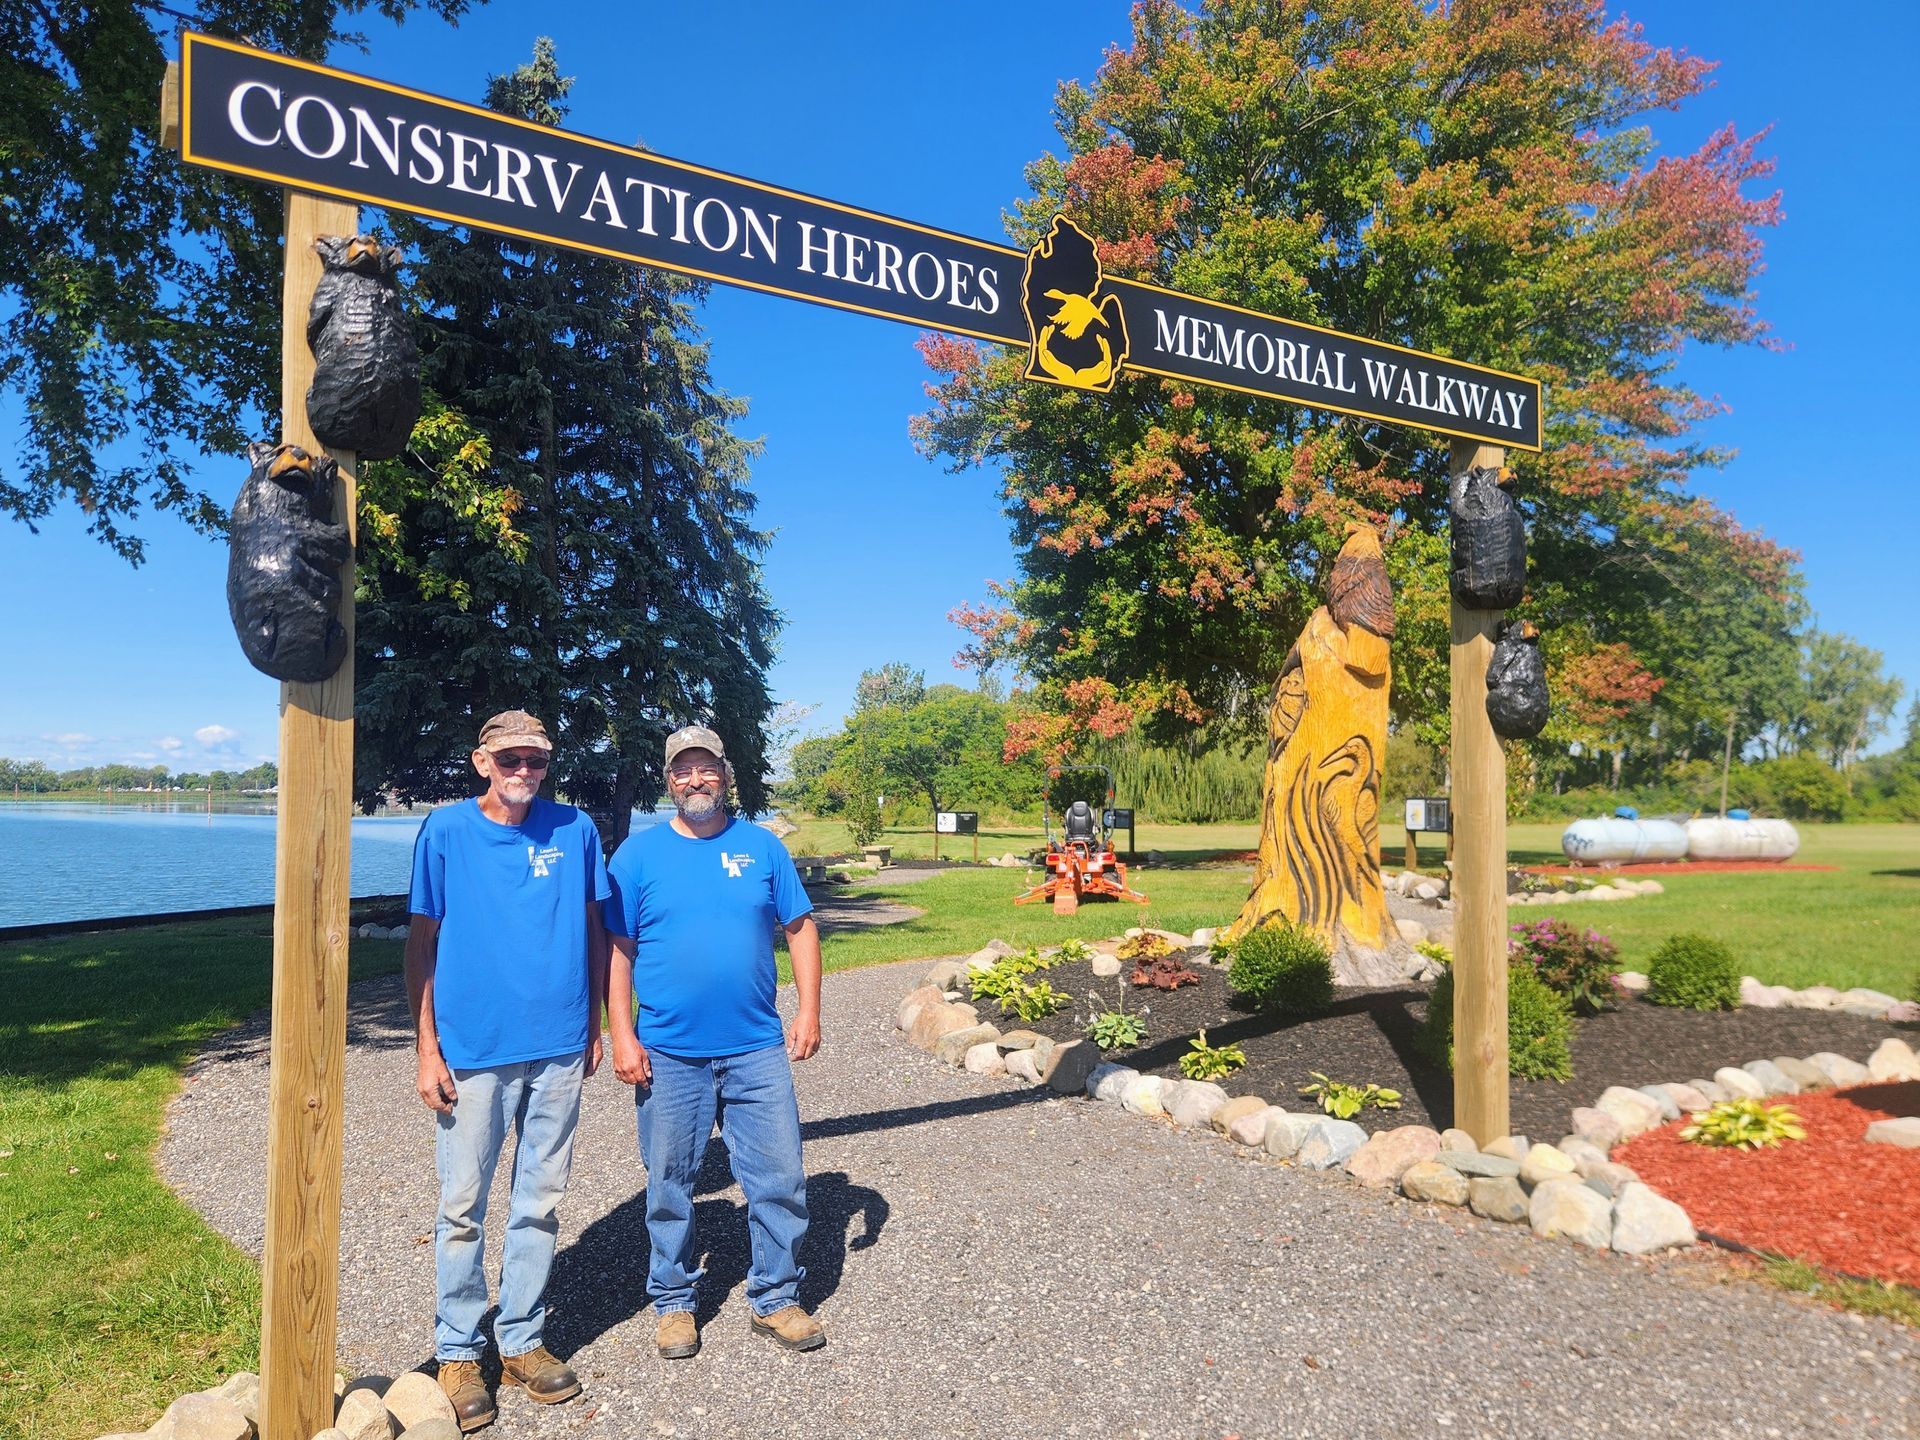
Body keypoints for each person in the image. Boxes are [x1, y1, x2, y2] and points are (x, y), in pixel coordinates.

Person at [405, 710, 611, 1430]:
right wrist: (427, 1047)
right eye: (511, 759)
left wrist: (595, 1026)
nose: (525, 771)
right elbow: (421, 943)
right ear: (481, 761)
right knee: (462, 1206)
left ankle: (521, 1340)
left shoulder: (574, 829)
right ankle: (458, 1352)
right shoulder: (447, 831)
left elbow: (595, 927)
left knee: (540, 1200)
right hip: (473, 1051)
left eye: (537, 760)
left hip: (556, 1046)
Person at [605, 724, 826, 1360]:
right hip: (669, 1052)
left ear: (726, 777)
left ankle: (777, 1295)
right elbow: (617, 951)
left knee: (779, 1176)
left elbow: (801, 928)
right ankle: (673, 1301)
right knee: (670, 1181)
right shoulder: (637, 858)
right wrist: (622, 1033)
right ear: (668, 780)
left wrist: (808, 1011)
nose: (695, 780)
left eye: (707, 769)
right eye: (683, 771)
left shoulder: (762, 847)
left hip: (756, 1046)